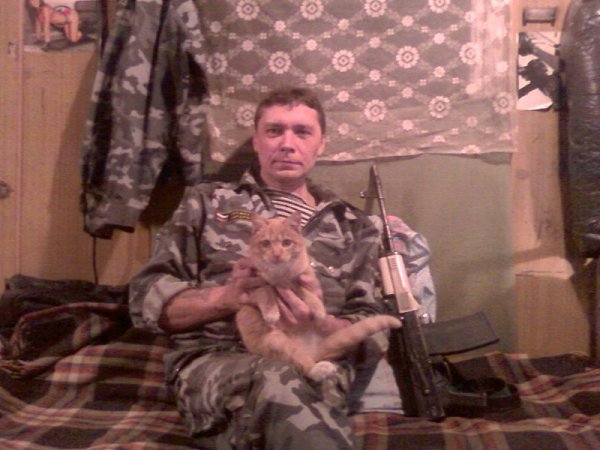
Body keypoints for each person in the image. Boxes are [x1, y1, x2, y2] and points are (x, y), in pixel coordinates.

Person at [129, 87, 390, 449]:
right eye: (274, 131)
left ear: (321, 144)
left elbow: (375, 326)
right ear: (256, 141)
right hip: (220, 360)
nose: (287, 143)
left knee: (302, 391)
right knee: (279, 383)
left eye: (302, 132)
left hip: (316, 357)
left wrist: (322, 324)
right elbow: (146, 298)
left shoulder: (355, 227)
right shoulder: (207, 203)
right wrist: (227, 298)